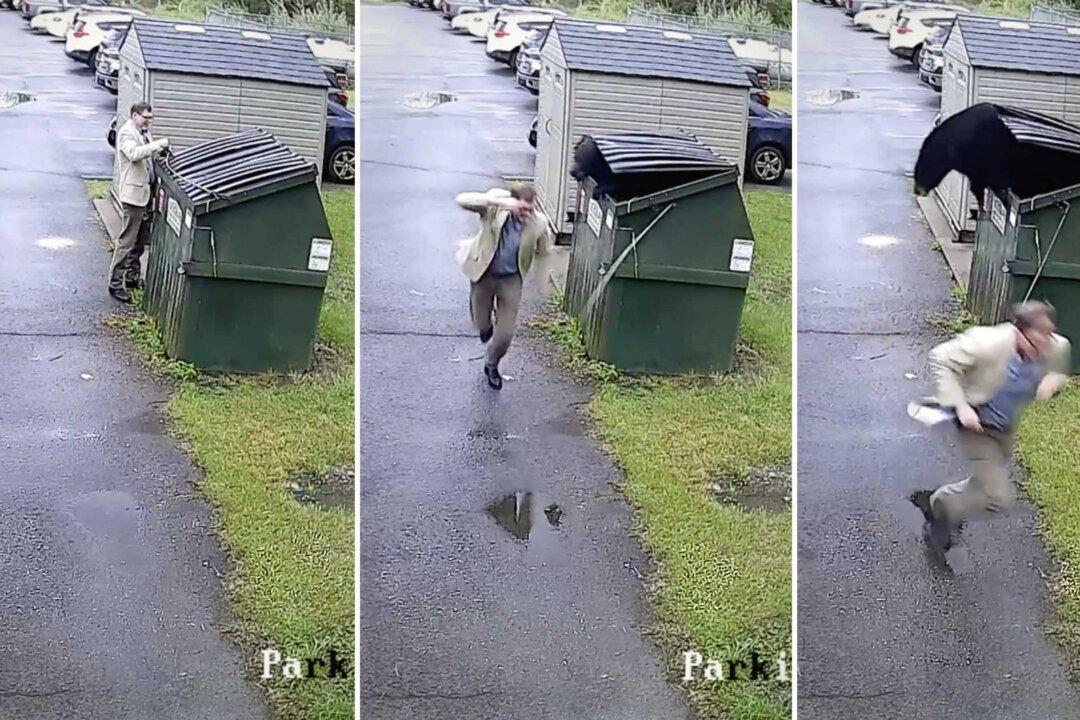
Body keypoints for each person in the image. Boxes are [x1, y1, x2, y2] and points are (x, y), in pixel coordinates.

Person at [910, 300, 1071, 551]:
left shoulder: (1057, 347)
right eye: (1037, 341)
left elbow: (1059, 373)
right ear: (1019, 333)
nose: (1045, 347)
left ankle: (947, 499)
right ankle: (938, 507)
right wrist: (961, 406)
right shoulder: (987, 343)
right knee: (996, 497)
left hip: (1005, 428)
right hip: (977, 424)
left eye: (1049, 336)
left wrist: (1053, 380)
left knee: (983, 481)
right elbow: (940, 358)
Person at [454, 184, 554, 390]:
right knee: (482, 325)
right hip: (484, 272)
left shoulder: (538, 223)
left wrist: (544, 282)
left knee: (505, 335)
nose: (526, 213)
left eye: (530, 209)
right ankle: (484, 322)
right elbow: (462, 199)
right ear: (512, 202)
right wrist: (500, 202)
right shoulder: (494, 209)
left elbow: (544, 253)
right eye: (522, 208)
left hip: (511, 279)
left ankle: (491, 364)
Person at [108, 102, 170, 303]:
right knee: (127, 241)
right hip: (133, 196)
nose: (148, 122)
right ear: (134, 115)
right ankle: (115, 284)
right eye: (145, 117)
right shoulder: (126, 133)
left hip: (146, 193)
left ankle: (132, 277)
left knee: (141, 239)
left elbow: (147, 158)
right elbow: (134, 154)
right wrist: (157, 145)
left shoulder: (144, 133)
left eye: (151, 118)